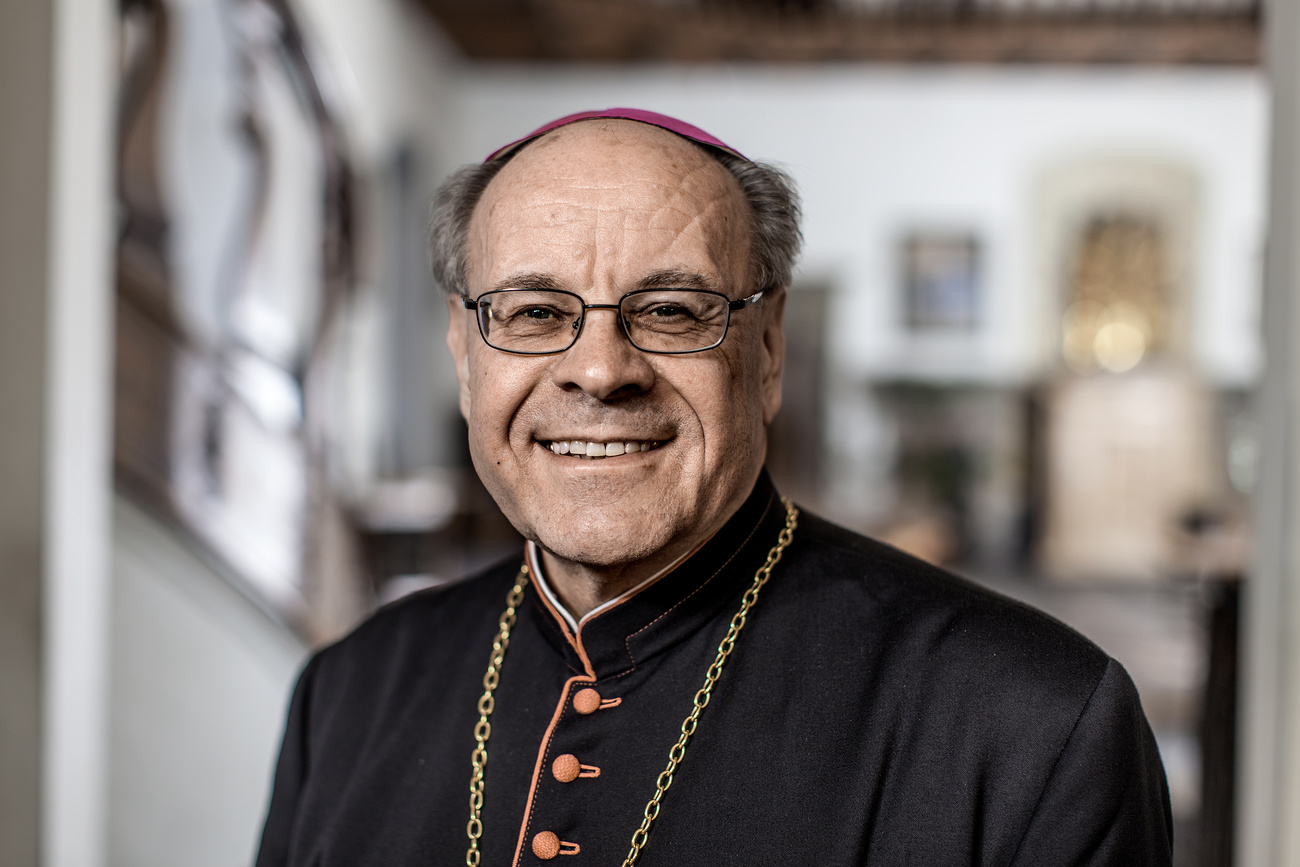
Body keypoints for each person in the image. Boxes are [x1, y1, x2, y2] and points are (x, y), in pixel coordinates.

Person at [255, 108, 1172, 866]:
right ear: (465, 354)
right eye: (534, 312)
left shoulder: (1033, 723)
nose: (601, 371)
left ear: (767, 349)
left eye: (670, 311)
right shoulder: (347, 692)